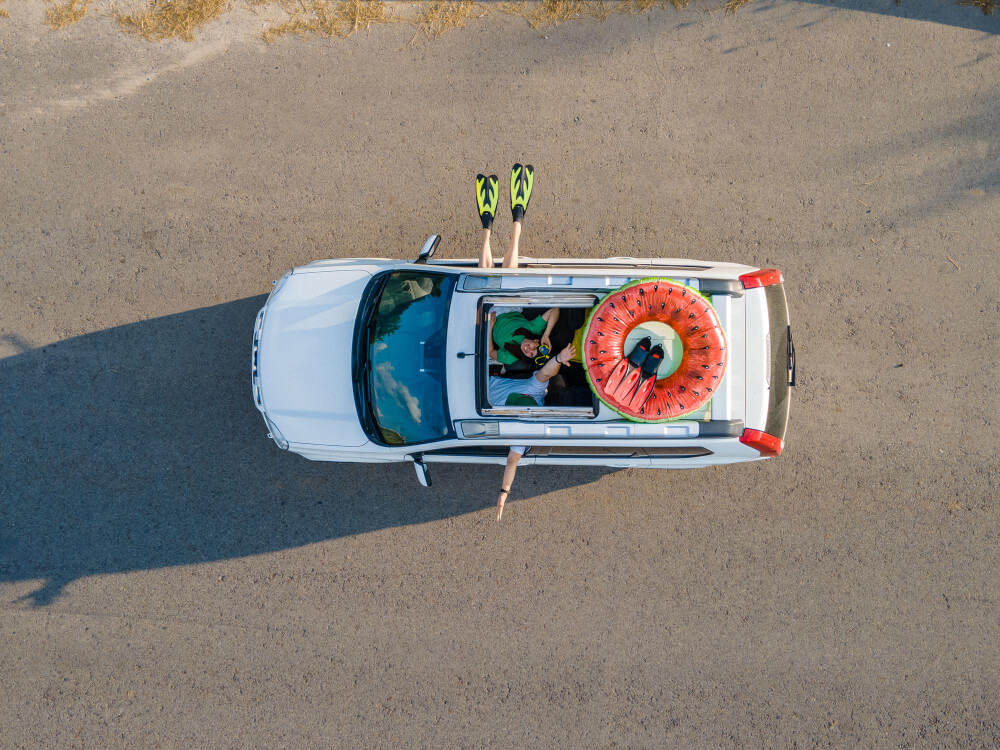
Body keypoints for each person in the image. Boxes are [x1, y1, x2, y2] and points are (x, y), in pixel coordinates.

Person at [476, 165, 559, 370]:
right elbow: (554, 310)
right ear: (538, 343)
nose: (529, 350)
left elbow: (491, 353)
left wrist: (490, 328)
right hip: (510, 303)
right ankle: (517, 222)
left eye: (530, 354)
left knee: (484, 277)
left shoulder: (512, 357)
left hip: (492, 311)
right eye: (534, 348)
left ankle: (487, 227)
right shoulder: (533, 330)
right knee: (508, 277)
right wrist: (547, 333)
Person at [490, 343, 576, 521]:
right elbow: (546, 373)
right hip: (482, 378)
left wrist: (504, 492)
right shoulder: (533, 391)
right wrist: (559, 358)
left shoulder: (523, 431)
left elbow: (512, 462)